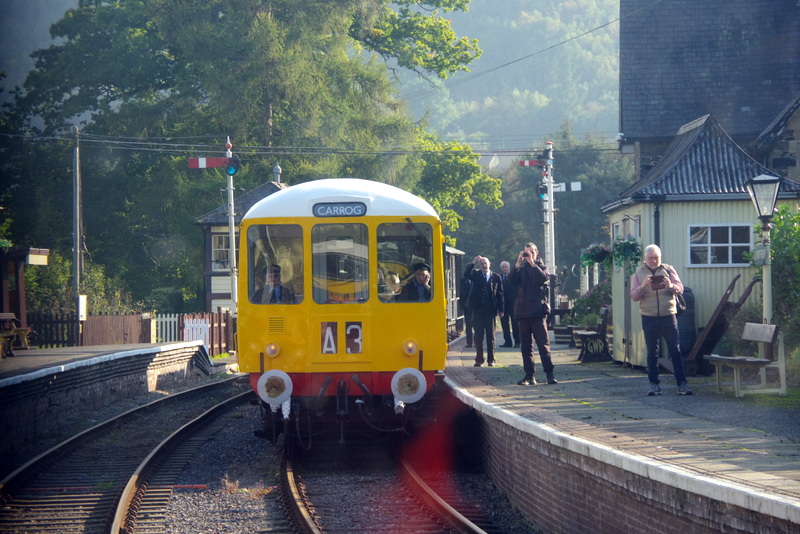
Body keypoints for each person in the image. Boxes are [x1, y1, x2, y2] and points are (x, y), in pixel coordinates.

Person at [630, 244, 692, 396]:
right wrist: (644, 284)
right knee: (652, 352)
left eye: (656, 257)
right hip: (649, 316)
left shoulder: (668, 270)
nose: (653, 260)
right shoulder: (638, 273)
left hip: (668, 315)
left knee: (675, 351)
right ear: (645, 259)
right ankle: (654, 384)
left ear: (660, 257)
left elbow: (680, 288)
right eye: (650, 258)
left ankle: (682, 384)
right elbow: (634, 296)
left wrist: (670, 285)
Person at [509, 242, 557, 385]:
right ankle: (529, 376)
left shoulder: (542, 268)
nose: (528, 255)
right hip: (522, 312)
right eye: (526, 253)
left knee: (543, 345)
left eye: (531, 252)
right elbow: (510, 280)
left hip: (537, 312)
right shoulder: (520, 270)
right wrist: (517, 264)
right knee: (525, 346)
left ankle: (549, 374)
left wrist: (531, 263)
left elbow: (543, 278)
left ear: (537, 253)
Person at [465, 256, 504, 367]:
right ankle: (479, 359)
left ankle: (491, 360)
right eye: (481, 263)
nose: (483, 265)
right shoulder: (476, 275)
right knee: (478, 335)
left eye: (485, 263)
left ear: (489, 264)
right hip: (477, 310)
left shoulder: (496, 277)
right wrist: (473, 262)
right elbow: (466, 274)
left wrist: (501, 310)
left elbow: (500, 294)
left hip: (490, 310)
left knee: (491, 336)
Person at [499, 261, 520, 348]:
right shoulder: (498, 277)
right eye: (503, 267)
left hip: (513, 304)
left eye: (506, 267)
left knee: (515, 324)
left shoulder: (513, 277)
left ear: (509, 268)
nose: (504, 268)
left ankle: (517, 342)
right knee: (504, 324)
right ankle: (507, 342)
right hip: (503, 305)